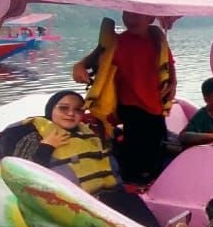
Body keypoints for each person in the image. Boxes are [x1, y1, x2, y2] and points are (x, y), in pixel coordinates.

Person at [0, 90, 162, 227]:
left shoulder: (90, 135)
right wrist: (46, 147)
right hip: (65, 205)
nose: (71, 113)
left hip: (100, 199)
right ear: (51, 109)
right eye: (63, 108)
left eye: (78, 110)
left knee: (127, 199)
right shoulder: (34, 136)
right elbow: (22, 177)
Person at [72, 11, 177, 184]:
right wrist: (79, 67)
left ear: (150, 18)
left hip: (156, 104)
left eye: (135, 16)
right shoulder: (116, 42)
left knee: (158, 145)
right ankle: (132, 184)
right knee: (136, 151)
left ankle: (155, 182)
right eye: (126, 15)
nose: (130, 20)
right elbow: (89, 60)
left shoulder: (158, 40)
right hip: (130, 104)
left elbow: (169, 65)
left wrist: (173, 83)